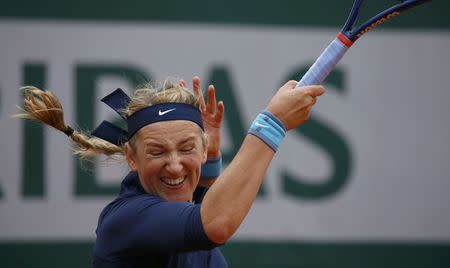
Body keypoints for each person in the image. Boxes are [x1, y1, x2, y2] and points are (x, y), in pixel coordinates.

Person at [18, 76, 325, 267]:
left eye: (187, 148)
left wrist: (211, 159)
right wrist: (271, 124)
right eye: (157, 152)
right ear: (132, 157)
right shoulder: (127, 218)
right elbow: (216, 222)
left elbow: (199, 204)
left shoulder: (182, 210)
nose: (175, 164)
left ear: (203, 151)